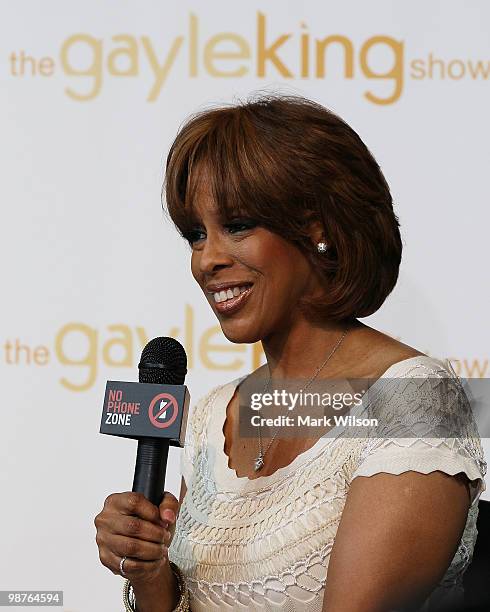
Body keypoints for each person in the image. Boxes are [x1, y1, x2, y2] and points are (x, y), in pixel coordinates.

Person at [94, 94, 487, 612]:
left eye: (236, 226)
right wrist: (148, 572)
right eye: (195, 235)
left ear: (317, 231)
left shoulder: (410, 401)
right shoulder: (216, 412)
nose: (207, 259)